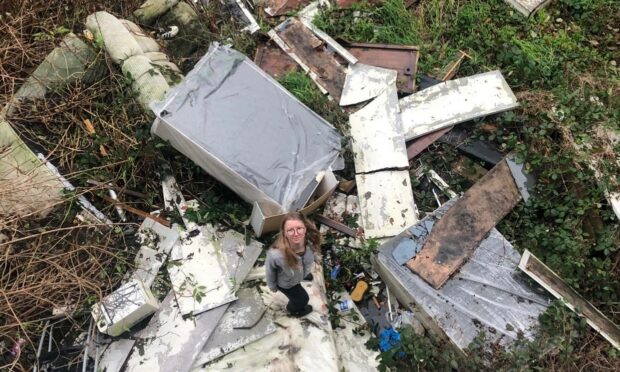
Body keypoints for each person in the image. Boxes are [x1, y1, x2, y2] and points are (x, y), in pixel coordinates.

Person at [265, 212, 321, 317]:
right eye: (290, 230)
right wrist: (272, 285)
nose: (296, 234)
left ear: (305, 229)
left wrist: (317, 258)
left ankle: (303, 275)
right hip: (287, 283)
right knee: (302, 299)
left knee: (305, 273)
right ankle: (293, 310)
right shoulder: (276, 255)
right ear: (284, 233)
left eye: (299, 228)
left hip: (300, 273)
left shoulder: (310, 242)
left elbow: (315, 250)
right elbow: (270, 271)